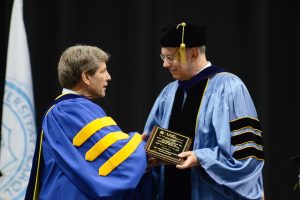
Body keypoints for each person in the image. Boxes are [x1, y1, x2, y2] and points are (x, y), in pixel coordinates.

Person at [142, 22, 265, 200]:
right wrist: (151, 157)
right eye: (163, 58)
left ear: (192, 53)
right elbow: (152, 138)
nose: (165, 65)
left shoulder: (229, 87)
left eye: (171, 58)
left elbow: (246, 155)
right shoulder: (169, 93)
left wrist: (201, 158)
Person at [25, 45, 147, 200]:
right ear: (86, 77)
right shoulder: (70, 110)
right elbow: (116, 152)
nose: (108, 77)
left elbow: (104, 155)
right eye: (103, 71)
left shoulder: (68, 109)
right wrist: (146, 149)